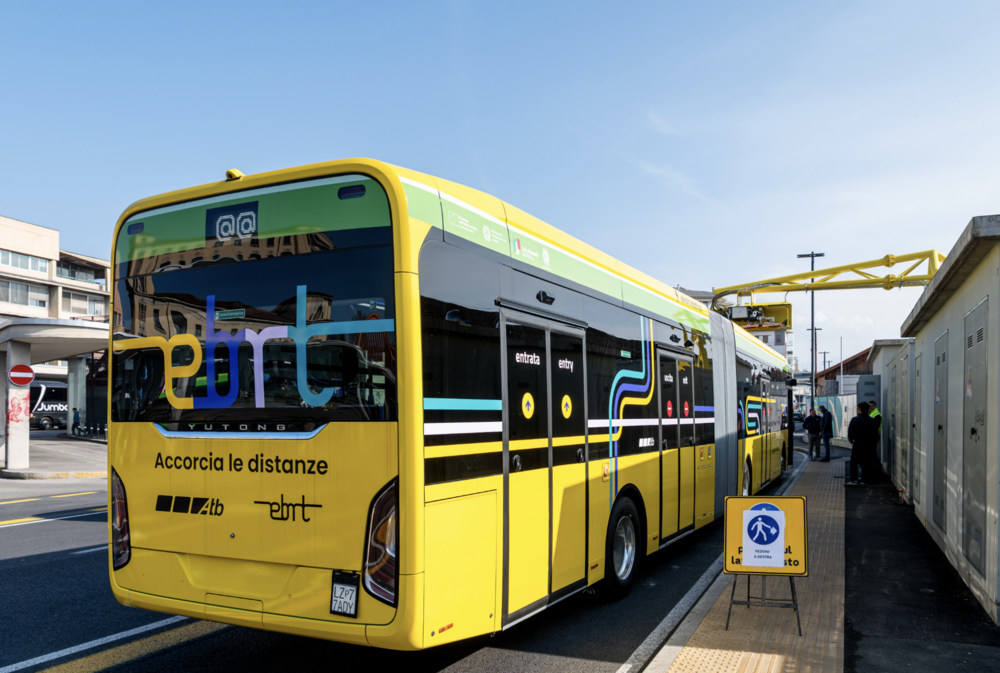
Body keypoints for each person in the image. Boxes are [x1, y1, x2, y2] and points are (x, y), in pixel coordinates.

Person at [847, 402, 879, 485]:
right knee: (866, 462)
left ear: (860, 409)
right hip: (869, 445)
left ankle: (854, 479)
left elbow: (850, 432)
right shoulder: (872, 421)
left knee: (854, 462)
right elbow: (876, 434)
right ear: (868, 409)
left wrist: (851, 441)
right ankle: (865, 479)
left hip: (857, 444)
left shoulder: (854, 419)